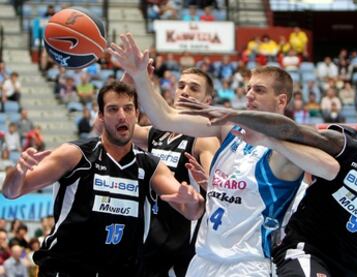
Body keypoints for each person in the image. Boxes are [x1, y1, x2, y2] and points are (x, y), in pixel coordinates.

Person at [108, 33, 340, 276]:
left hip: (248, 263)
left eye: (259, 90)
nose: (249, 94)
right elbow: (165, 118)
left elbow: (329, 168)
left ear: (281, 100)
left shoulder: (286, 142)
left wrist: (270, 139)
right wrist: (139, 76)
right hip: (203, 259)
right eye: (249, 88)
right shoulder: (229, 127)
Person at [179, 100, 357, 276]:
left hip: (349, 267)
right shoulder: (347, 146)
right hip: (306, 250)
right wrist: (239, 116)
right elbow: (293, 130)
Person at [2, 81, 205, 277]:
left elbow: (192, 212)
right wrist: (18, 171)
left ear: (137, 114)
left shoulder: (149, 165)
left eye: (128, 108)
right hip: (66, 269)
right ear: (100, 115)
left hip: (122, 271)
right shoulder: (75, 155)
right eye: (113, 109)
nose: (122, 116)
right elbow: (11, 192)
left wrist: (192, 201)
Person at [119, 67, 220, 277]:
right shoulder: (157, 134)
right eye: (181, 86)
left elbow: (219, 191)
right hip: (151, 237)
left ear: (207, 101)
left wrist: (208, 184)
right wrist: (127, 82)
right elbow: (114, 126)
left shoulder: (204, 139)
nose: (184, 92)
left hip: (185, 242)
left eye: (194, 88)